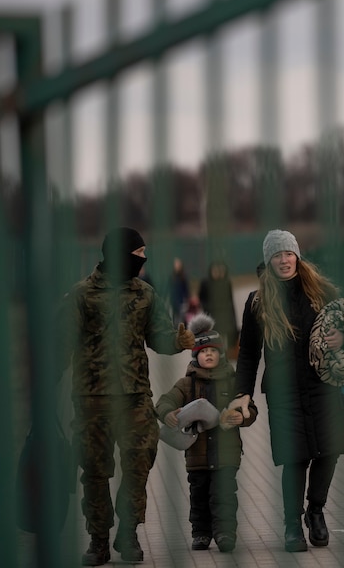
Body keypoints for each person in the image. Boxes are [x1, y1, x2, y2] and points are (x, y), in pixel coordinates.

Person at [59, 227, 196, 566]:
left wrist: (178, 341)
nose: (143, 260)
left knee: (138, 463)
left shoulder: (146, 295)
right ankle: (99, 540)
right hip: (91, 400)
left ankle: (128, 532)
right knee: (94, 470)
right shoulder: (81, 295)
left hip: (135, 397)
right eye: (138, 255)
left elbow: (159, 338)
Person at [227, 229, 344, 553]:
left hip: (322, 385)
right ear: (269, 261)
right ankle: (292, 524)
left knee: (330, 450)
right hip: (284, 392)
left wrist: (341, 340)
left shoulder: (321, 291)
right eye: (277, 255)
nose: (284, 260)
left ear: (297, 256)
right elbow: (249, 353)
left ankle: (316, 510)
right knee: (295, 459)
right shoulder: (258, 301)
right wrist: (243, 393)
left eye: (288, 253)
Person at [155, 313, 258, 553]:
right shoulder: (186, 384)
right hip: (197, 456)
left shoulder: (233, 382)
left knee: (224, 496)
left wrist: (242, 416)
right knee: (199, 496)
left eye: (213, 351)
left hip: (227, 455)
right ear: (195, 356)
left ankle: (225, 533)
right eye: (203, 352)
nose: (208, 355)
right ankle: (201, 533)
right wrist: (168, 413)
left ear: (221, 355)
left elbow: (250, 408)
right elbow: (164, 402)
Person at [198, 261, 239, 356]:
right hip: (212, 315)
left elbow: (231, 301)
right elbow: (202, 298)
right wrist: (208, 308)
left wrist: (233, 319)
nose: (217, 273)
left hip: (225, 316)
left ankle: (226, 355)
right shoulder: (206, 283)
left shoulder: (226, 282)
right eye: (215, 271)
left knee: (226, 337)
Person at [169, 257, 190, 324]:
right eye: (175, 264)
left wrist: (186, 301)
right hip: (173, 302)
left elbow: (186, 290)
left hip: (181, 302)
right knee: (175, 319)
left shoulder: (183, 277)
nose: (176, 266)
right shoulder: (172, 277)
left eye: (178, 264)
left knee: (181, 320)